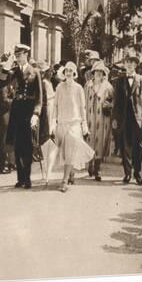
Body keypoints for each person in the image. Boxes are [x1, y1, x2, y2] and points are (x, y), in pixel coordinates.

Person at [51, 62, 94, 192]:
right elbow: (55, 106)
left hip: (74, 124)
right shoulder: (59, 87)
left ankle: (64, 181)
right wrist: (53, 124)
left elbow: (82, 108)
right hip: (62, 123)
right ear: (64, 73)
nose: (68, 73)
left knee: (70, 150)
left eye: (71, 71)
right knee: (64, 152)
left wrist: (84, 125)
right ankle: (71, 173)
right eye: (66, 71)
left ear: (74, 73)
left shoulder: (79, 88)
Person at [6, 44, 43, 189]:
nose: (17, 58)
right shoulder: (13, 72)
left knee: (27, 146)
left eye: (19, 55)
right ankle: (20, 178)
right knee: (17, 146)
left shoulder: (35, 72)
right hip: (16, 112)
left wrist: (36, 114)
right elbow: (2, 81)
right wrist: (6, 66)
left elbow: (39, 97)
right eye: (16, 55)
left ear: (26, 55)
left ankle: (27, 178)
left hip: (28, 112)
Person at [112, 55, 142, 185]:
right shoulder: (119, 80)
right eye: (127, 62)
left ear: (135, 65)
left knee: (139, 147)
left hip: (138, 119)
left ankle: (137, 173)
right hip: (124, 119)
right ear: (124, 65)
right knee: (125, 146)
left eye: (132, 63)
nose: (129, 65)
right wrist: (115, 119)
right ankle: (127, 173)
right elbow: (116, 102)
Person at [84, 60, 113, 181]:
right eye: (97, 72)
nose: (99, 74)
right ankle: (90, 164)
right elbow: (83, 102)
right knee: (89, 140)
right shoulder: (87, 86)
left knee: (100, 142)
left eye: (101, 72)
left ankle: (97, 168)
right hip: (89, 117)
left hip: (102, 119)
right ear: (93, 73)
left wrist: (108, 104)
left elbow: (113, 101)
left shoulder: (108, 87)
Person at [0, 54, 15, 174]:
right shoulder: (0, 82)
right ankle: (1, 165)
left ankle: (7, 163)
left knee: (7, 140)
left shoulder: (6, 82)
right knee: (3, 140)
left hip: (7, 113)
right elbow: (4, 100)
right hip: (3, 113)